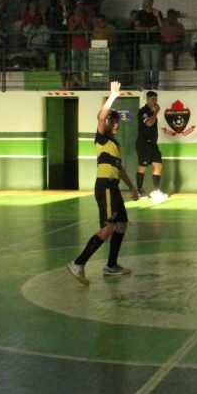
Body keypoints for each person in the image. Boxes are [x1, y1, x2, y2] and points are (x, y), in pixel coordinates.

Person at [66, 82, 140, 284]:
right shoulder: (101, 138)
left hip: (114, 187)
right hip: (105, 187)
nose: (116, 125)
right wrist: (113, 96)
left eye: (118, 122)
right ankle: (78, 263)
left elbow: (120, 168)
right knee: (108, 228)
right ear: (106, 122)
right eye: (113, 121)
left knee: (122, 225)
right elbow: (101, 116)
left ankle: (111, 265)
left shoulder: (114, 144)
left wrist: (132, 187)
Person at [136, 91, 167, 202]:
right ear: (148, 99)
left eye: (156, 99)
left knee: (158, 165)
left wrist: (154, 112)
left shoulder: (151, 111)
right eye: (153, 99)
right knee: (142, 166)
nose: (155, 101)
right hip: (143, 144)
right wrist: (156, 113)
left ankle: (156, 190)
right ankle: (139, 190)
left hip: (153, 144)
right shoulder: (143, 112)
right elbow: (149, 123)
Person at [133, 0, 163, 89]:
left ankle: (154, 84)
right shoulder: (140, 14)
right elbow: (137, 27)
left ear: (151, 3)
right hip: (144, 42)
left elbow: (161, 26)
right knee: (146, 65)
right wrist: (149, 29)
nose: (146, 3)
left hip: (155, 42)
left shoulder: (157, 13)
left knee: (155, 65)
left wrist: (158, 16)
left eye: (148, 1)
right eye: (145, 1)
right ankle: (147, 84)